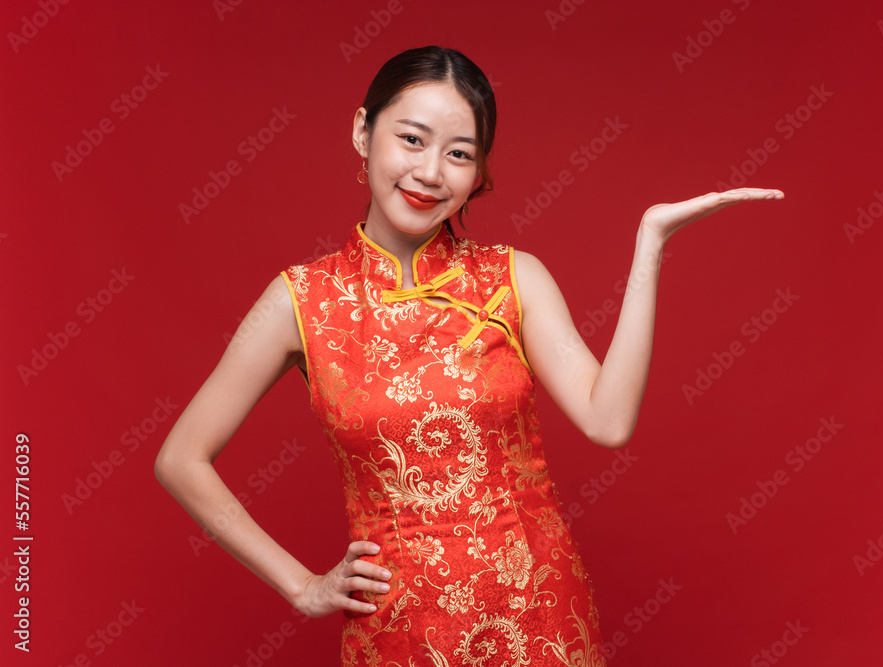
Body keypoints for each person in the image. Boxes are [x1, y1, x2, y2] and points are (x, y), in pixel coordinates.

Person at [155, 45, 783, 665]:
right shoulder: (300, 301)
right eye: (412, 139)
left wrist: (650, 243)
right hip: (401, 632)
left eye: (459, 154)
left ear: (479, 172)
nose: (431, 172)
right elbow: (181, 458)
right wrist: (301, 585)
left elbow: (608, 420)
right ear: (362, 130)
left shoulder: (514, 278)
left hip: (541, 620)